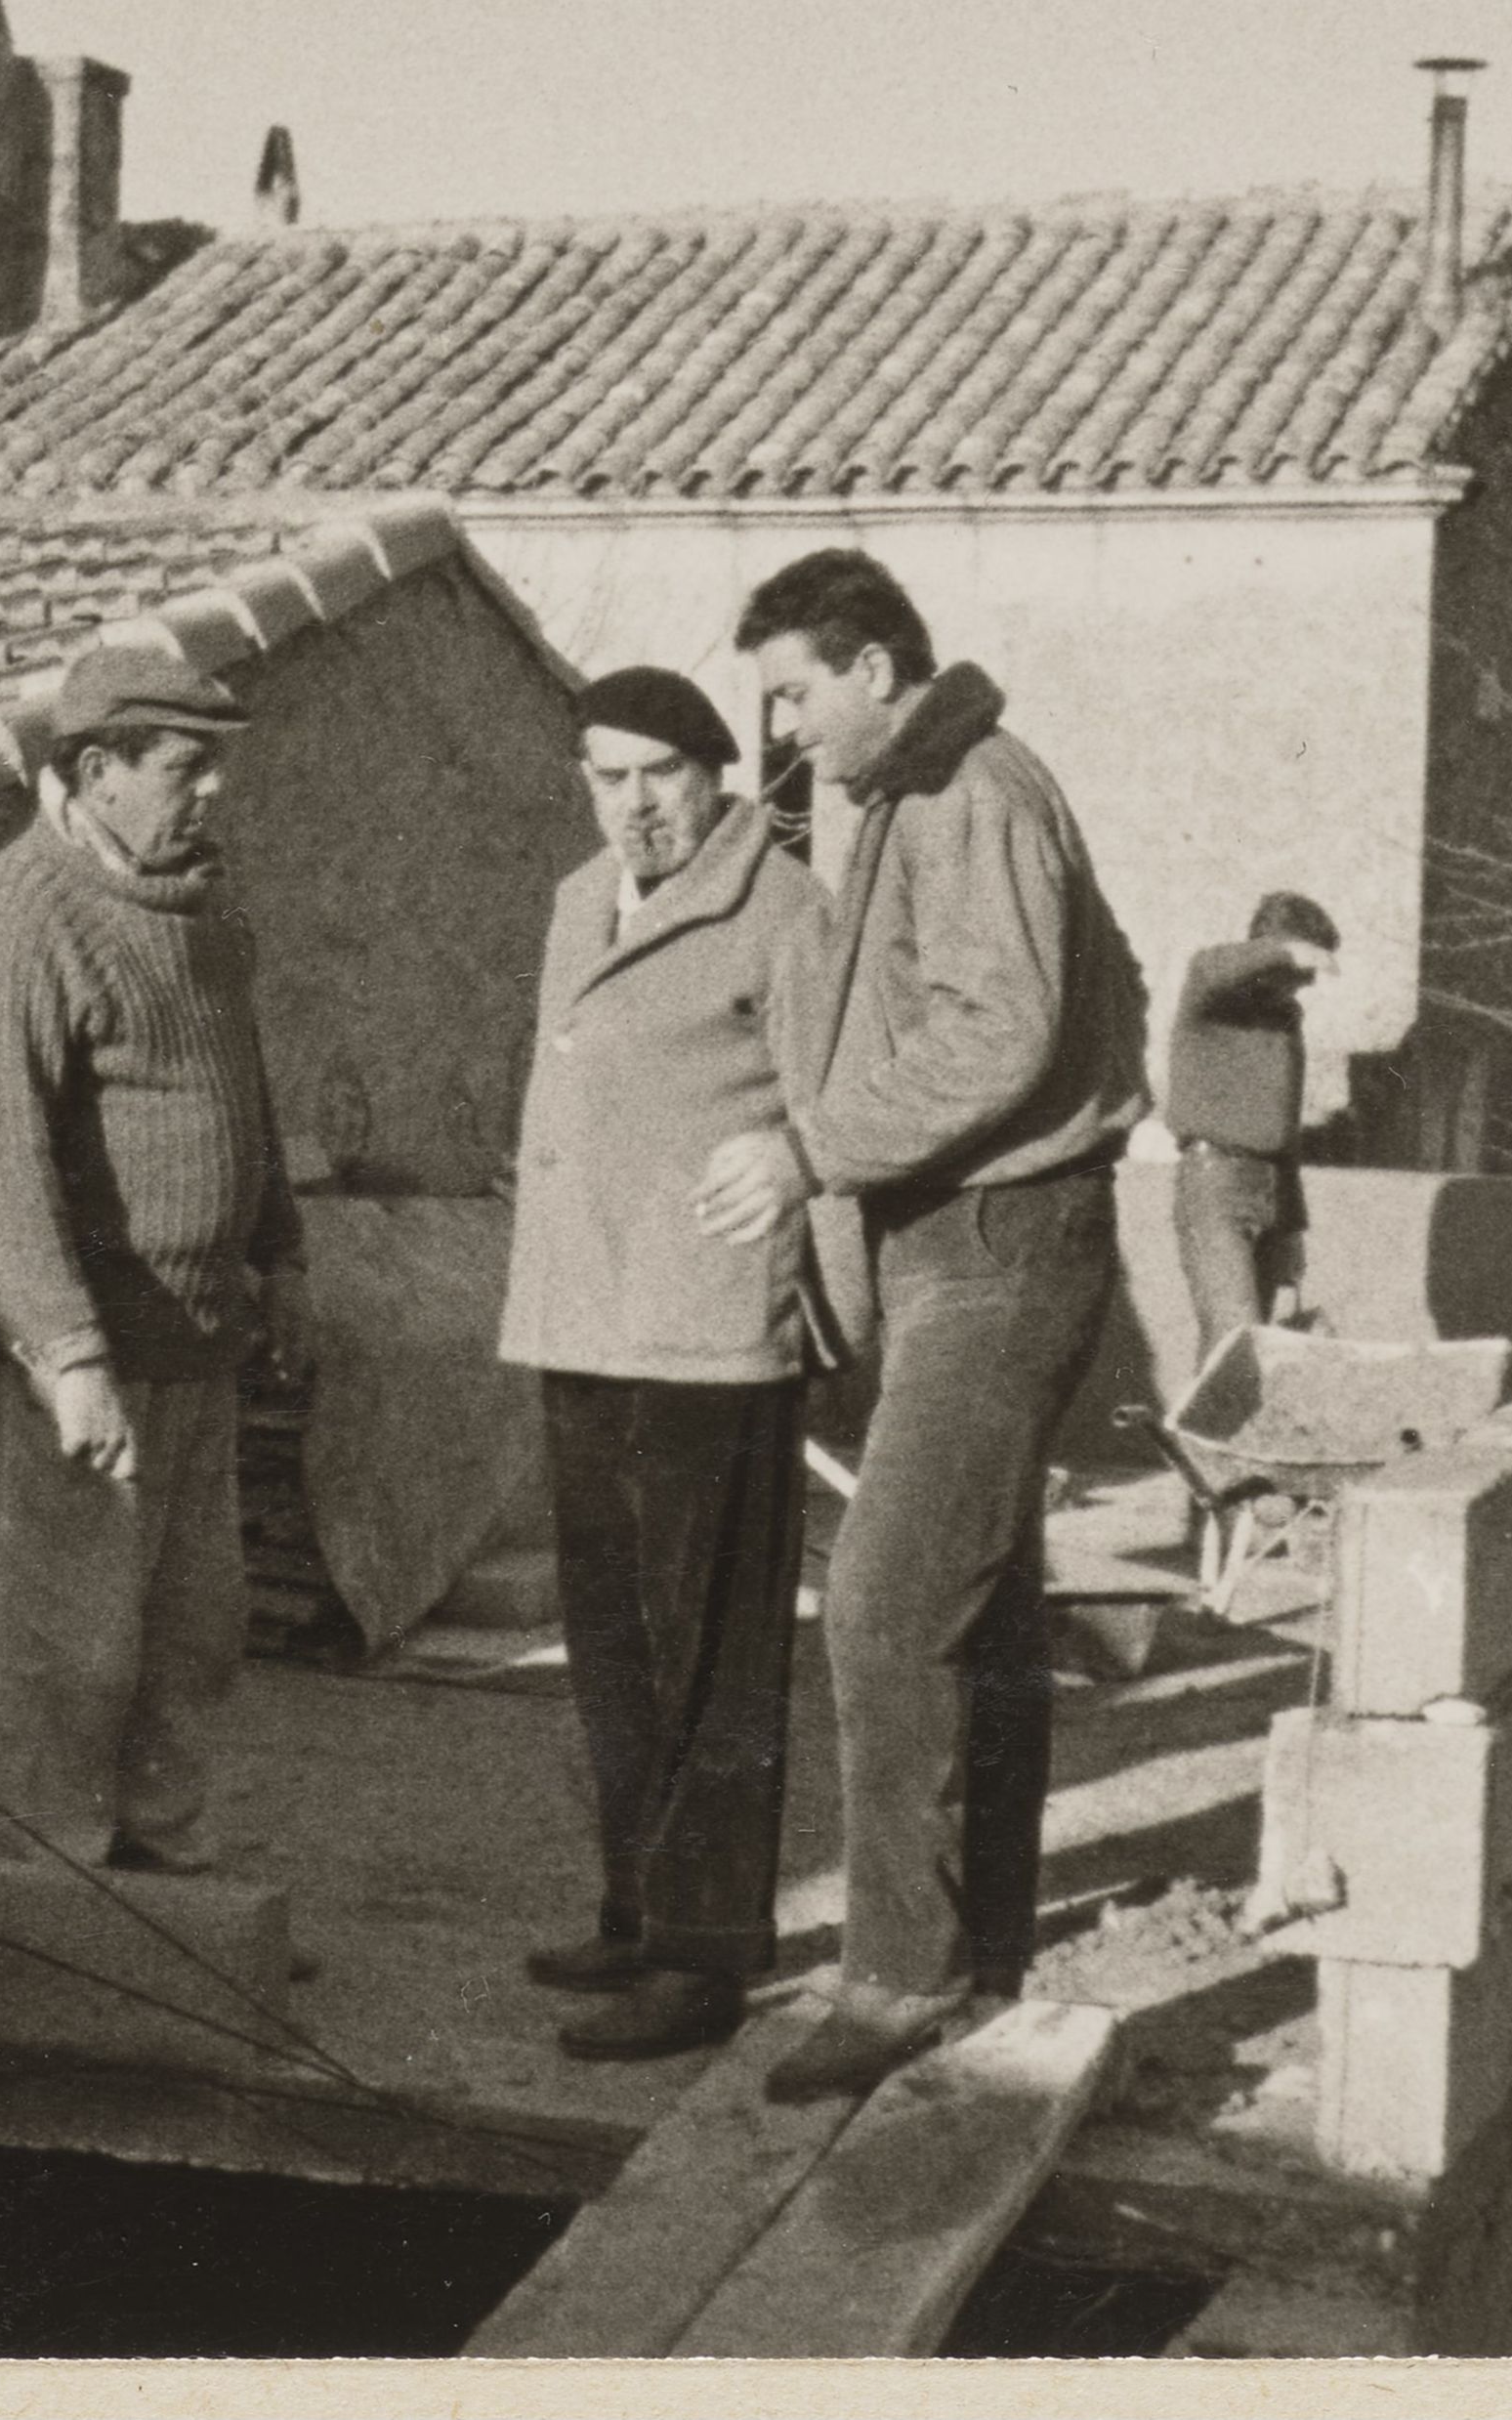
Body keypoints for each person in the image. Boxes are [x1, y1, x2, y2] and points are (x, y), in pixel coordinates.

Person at [701, 549, 1153, 2105]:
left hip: (997, 1245)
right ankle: (982, 1950)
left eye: (793, 694)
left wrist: (813, 1149)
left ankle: (897, 1977)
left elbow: (1001, 1027)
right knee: (980, 1604)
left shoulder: (968, 792)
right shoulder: (919, 791)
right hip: (961, 1238)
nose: (780, 729)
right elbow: (1093, 984)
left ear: (875, 670)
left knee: (886, 1603)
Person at [0, 641, 312, 1875]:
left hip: (190, 1343)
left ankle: (165, 1880)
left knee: (192, 1634)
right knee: (70, 1655)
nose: (215, 793)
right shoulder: (15, 918)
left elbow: (243, 1095)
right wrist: (69, 1356)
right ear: (97, 771)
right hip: (73, 1358)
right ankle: (47, 1904)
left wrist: (282, 1258)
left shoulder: (199, 908)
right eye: (187, 768)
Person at [498, 668, 829, 2062]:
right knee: (614, 1637)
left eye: (660, 775)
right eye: (606, 776)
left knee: (712, 1656)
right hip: (584, 1315)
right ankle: (639, 1910)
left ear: (715, 774)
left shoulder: (784, 907)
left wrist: (798, 1158)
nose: (634, 806)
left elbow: (839, 1097)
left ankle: (705, 1955)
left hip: (708, 1327)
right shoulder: (581, 899)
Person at [1166, 893, 1341, 1370]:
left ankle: (1215, 1421)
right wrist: (1286, 950)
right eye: (1303, 968)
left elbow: (1285, 1134)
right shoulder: (1213, 1000)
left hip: (1269, 1190)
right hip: (1215, 1184)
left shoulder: (1284, 1020)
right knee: (1236, 1340)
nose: (1308, 983)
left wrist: (1292, 1227)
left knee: (1250, 1347)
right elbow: (1209, 966)